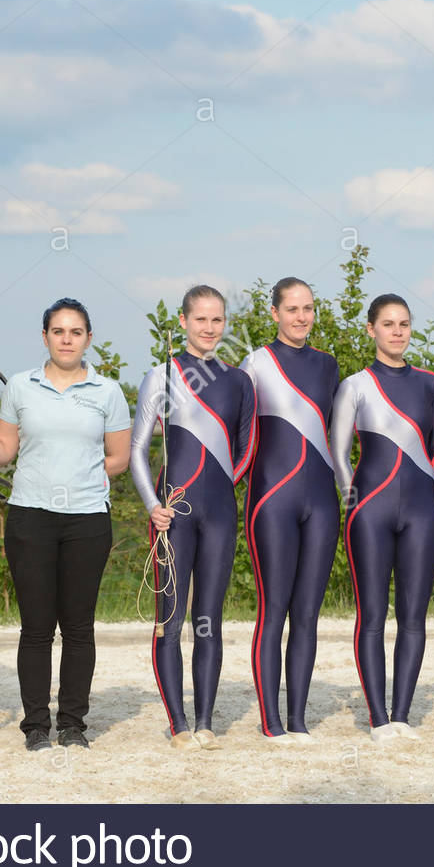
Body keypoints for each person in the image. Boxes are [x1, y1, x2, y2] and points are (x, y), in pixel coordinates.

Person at [0, 298, 131, 751]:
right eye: (59, 331)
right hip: (30, 518)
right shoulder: (20, 387)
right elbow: (3, 450)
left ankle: (72, 723)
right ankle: (36, 725)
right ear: (45, 337)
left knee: (78, 627)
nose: (67, 339)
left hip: (88, 521)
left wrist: (84, 475)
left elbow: (119, 458)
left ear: (88, 339)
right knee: (36, 627)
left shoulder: (107, 392)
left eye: (76, 332)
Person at [130, 286, 256, 751]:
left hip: (220, 514)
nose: (209, 328)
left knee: (210, 620)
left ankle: (205, 722)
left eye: (217, 320)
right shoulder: (162, 375)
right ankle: (179, 724)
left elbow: (245, 453)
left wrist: (226, 489)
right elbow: (138, 449)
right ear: (183, 322)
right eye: (200, 319)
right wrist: (152, 505)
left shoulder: (239, 381)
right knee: (172, 618)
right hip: (173, 515)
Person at [330, 294, 434, 743]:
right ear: (371, 330)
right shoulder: (355, 385)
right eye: (387, 324)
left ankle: (402, 715)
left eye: (403, 324)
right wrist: (352, 500)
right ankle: (378, 719)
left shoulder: (432, 384)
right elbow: (340, 452)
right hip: (370, 512)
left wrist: (425, 486)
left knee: (414, 616)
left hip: (421, 511)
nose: (397, 332)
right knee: (373, 616)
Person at [240, 278, 340, 743]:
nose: (301, 317)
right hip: (271, 500)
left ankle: (297, 718)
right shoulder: (255, 364)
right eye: (293, 309)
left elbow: (336, 438)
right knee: (274, 609)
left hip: (321, 502)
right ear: (275, 313)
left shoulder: (328, 365)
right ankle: (271, 721)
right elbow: (236, 437)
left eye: (308, 309)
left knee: (307, 614)